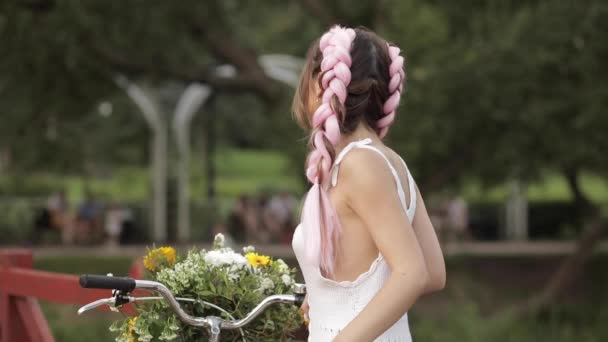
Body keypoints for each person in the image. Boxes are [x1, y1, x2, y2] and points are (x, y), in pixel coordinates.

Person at [291, 26, 446, 341]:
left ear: (322, 84)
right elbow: (434, 273)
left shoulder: (358, 166)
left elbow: (414, 273)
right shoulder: (391, 163)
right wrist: (325, 295)